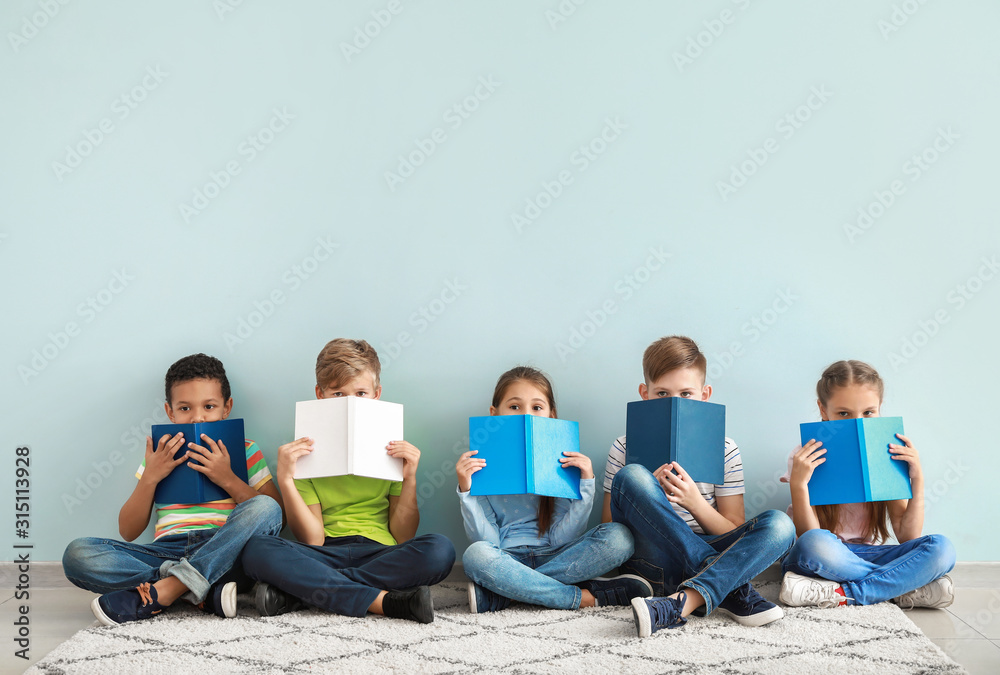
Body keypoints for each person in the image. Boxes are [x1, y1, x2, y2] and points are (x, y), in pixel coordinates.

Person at [241, 338, 455, 623]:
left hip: (380, 552)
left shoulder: (392, 449)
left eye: (361, 393)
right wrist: (286, 479)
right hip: (324, 553)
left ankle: (302, 592)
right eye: (338, 394)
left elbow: (403, 536)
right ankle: (384, 602)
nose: (351, 402)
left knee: (440, 550)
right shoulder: (304, 454)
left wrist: (410, 478)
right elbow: (313, 539)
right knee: (256, 549)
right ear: (320, 394)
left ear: (377, 394)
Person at [63, 353, 284, 625]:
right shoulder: (159, 456)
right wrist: (150, 478)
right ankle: (199, 590)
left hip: (225, 548)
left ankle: (169, 589)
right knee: (78, 554)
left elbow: (276, 516)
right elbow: (128, 531)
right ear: (169, 411)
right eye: (185, 408)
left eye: (209, 406)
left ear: (227, 408)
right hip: (167, 551)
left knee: (265, 506)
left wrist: (227, 478)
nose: (196, 418)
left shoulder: (246, 450)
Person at [602, 336, 795, 636]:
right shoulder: (624, 447)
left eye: (686, 393)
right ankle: (729, 587)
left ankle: (679, 604)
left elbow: (731, 531)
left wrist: (696, 504)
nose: (674, 402)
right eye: (663, 393)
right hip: (653, 563)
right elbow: (609, 528)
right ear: (645, 393)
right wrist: (647, 500)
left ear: (705, 395)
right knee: (632, 476)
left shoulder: (725, 449)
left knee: (782, 525)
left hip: (710, 546)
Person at [458, 366, 651, 613]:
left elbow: (565, 538)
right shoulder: (481, 464)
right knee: (476, 555)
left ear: (551, 415)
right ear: (494, 414)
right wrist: (466, 492)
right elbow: (487, 541)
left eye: (537, 407)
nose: (526, 415)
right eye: (514, 407)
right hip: (506, 559)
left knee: (620, 537)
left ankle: (509, 594)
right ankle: (582, 597)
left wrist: (586, 483)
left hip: (558, 556)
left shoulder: (561, 459)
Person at [779, 359, 955, 609]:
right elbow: (809, 536)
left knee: (942, 549)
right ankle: (901, 586)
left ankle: (843, 593)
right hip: (821, 558)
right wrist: (799, 485)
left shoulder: (887, 455)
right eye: (844, 413)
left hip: (865, 555)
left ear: (880, 408)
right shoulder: (804, 456)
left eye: (868, 412)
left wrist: (917, 479)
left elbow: (907, 536)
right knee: (814, 543)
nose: (858, 422)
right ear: (823, 410)